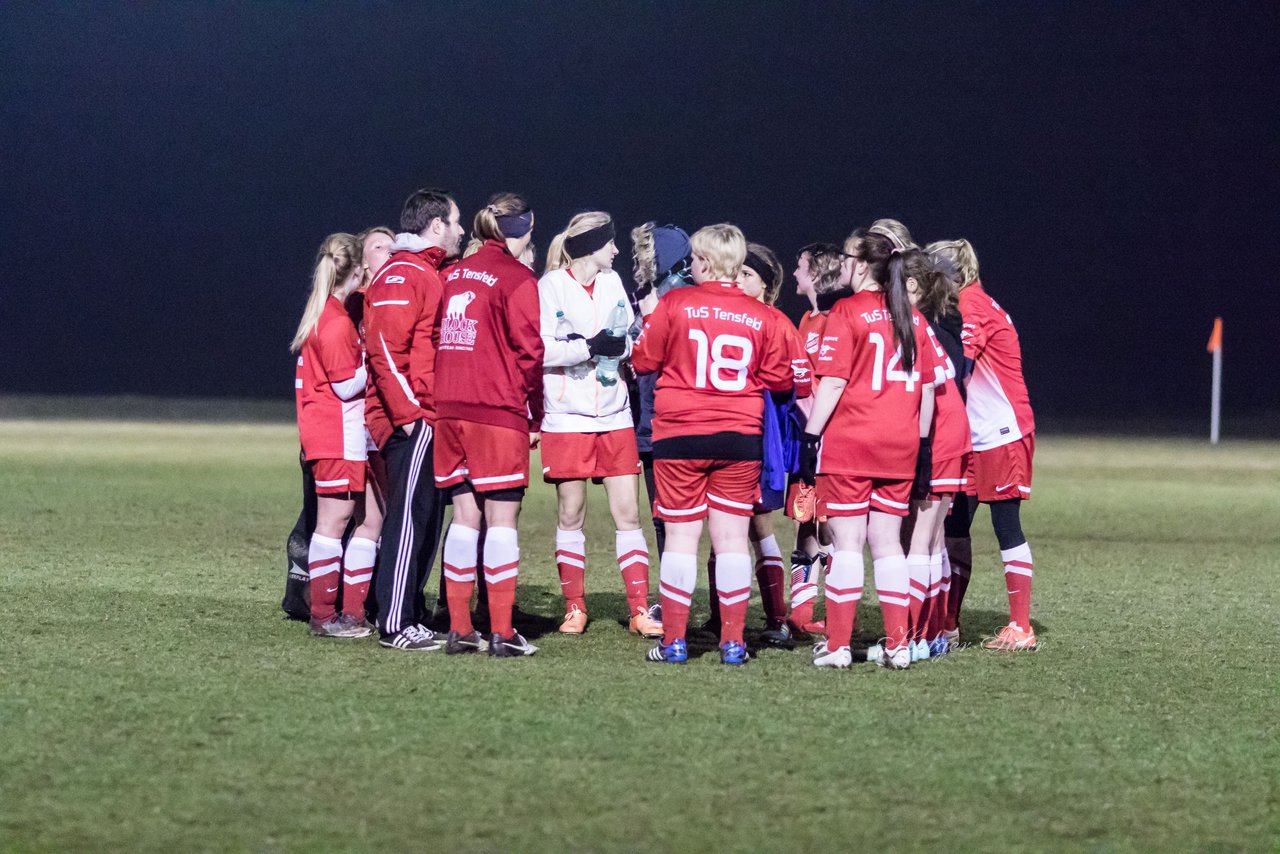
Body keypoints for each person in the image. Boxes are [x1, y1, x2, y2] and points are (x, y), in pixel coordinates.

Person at [632, 224, 795, 665]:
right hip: (739, 435)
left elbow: (643, 359)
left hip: (680, 434)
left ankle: (675, 642)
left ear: (703, 262)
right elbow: (781, 379)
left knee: (682, 540)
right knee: (731, 541)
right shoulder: (763, 317)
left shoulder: (676, 303)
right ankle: (734, 642)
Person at [800, 226, 945, 670]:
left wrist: (810, 436)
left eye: (847, 257)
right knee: (888, 545)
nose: (842, 264)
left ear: (863, 264)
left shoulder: (847, 311)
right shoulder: (912, 316)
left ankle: (840, 645)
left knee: (847, 543)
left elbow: (834, 382)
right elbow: (926, 391)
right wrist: (921, 451)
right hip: (899, 446)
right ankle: (899, 646)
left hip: (852, 443)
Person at [537, 212, 663, 638]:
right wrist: (586, 348)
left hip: (614, 415)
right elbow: (540, 349)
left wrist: (621, 345)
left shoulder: (611, 283)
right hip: (567, 417)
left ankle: (640, 610)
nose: (615, 251)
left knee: (628, 514)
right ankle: (575, 607)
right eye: (609, 243)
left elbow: (627, 335)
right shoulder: (550, 285)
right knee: (571, 514)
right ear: (592, 246)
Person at [433, 192, 545, 657]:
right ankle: (501, 631)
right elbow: (531, 353)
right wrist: (535, 411)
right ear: (520, 230)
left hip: (449, 408)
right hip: (495, 411)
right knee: (501, 520)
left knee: (464, 519)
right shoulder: (518, 277)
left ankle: (461, 629)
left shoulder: (452, 274)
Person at [364, 188, 465, 651]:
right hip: (413, 419)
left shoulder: (427, 271)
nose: (462, 230)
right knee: (407, 519)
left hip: (430, 416)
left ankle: (410, 611)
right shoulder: (404, 273)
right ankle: (394, 623)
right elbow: (385, 351)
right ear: (436, 224)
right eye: (456, 222)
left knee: (425, 516)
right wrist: (411, 418)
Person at [281, 225, 397, 622]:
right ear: (357, 269)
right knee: (333, 524)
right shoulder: (336, 321)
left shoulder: (328, 313)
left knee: (370, 519)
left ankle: (351, 612)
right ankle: (324, 614)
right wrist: (377, 361)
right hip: (337, 434)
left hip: (341, 435)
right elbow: (347, 386)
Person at [927, 238, 1038, 651]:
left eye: (933, 269)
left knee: (1006, 525)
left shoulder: (972, 307)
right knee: (955, 526)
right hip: (974, 435)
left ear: (952, 274)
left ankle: (1021, 627)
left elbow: (960, 369)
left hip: (1001, 433)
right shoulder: (969, 304)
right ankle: (948, 625)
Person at [700, 243, 811, 645]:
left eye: (748, 275)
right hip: (726, 433)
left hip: (762, 439)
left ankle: (776, 617)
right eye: (739, 273)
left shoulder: (778, 323)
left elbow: (800, 385)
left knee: (757, 524)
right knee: (724, 525)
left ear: (767, 285)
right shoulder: (727, 316)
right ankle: (719, 618)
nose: (739, 280)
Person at [871, 248, 971, 663]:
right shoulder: (927, 323)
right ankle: (928, 637)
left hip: (939, 436)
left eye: (889, 285)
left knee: (920, 545)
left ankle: (911, 638)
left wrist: (920, 447)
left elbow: (925, 392)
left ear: (910, 287)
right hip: (953, 433)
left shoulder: (914, 326)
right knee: (931, 547)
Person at [778, 241, 849, 639]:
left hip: (830, 438)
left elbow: (832, 384)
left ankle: (838, 611)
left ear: (818, 272)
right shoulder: (806, 319)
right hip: (805, 438)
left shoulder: (837, 319)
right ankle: (801, 613)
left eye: (801, 266)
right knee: (804, 522)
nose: (795, 274)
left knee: (833, 528)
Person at [630, 223, 694, 557]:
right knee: (660, 518)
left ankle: (687, 599)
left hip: (676, 422)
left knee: (692, 521)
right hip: (651, 423)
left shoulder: (682, 300)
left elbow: (653, 360)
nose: (637, 263)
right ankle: (671, 598)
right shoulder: (650, 296)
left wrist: (650, 318)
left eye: (644, 254)